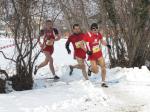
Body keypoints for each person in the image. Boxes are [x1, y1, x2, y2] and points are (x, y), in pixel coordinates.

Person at [83, 23, 111, 87]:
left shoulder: (99, 34)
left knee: (103, 67)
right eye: (93, 29)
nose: (95, 30)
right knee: (96, 71)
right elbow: (82, 45)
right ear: (91, 29)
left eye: (96, 29)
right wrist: (87, 51)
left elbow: (102, 41)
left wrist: (107, 45)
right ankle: (90, 68)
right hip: (92, 56)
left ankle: (103, 82)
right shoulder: (87, 35)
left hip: (99, 54)